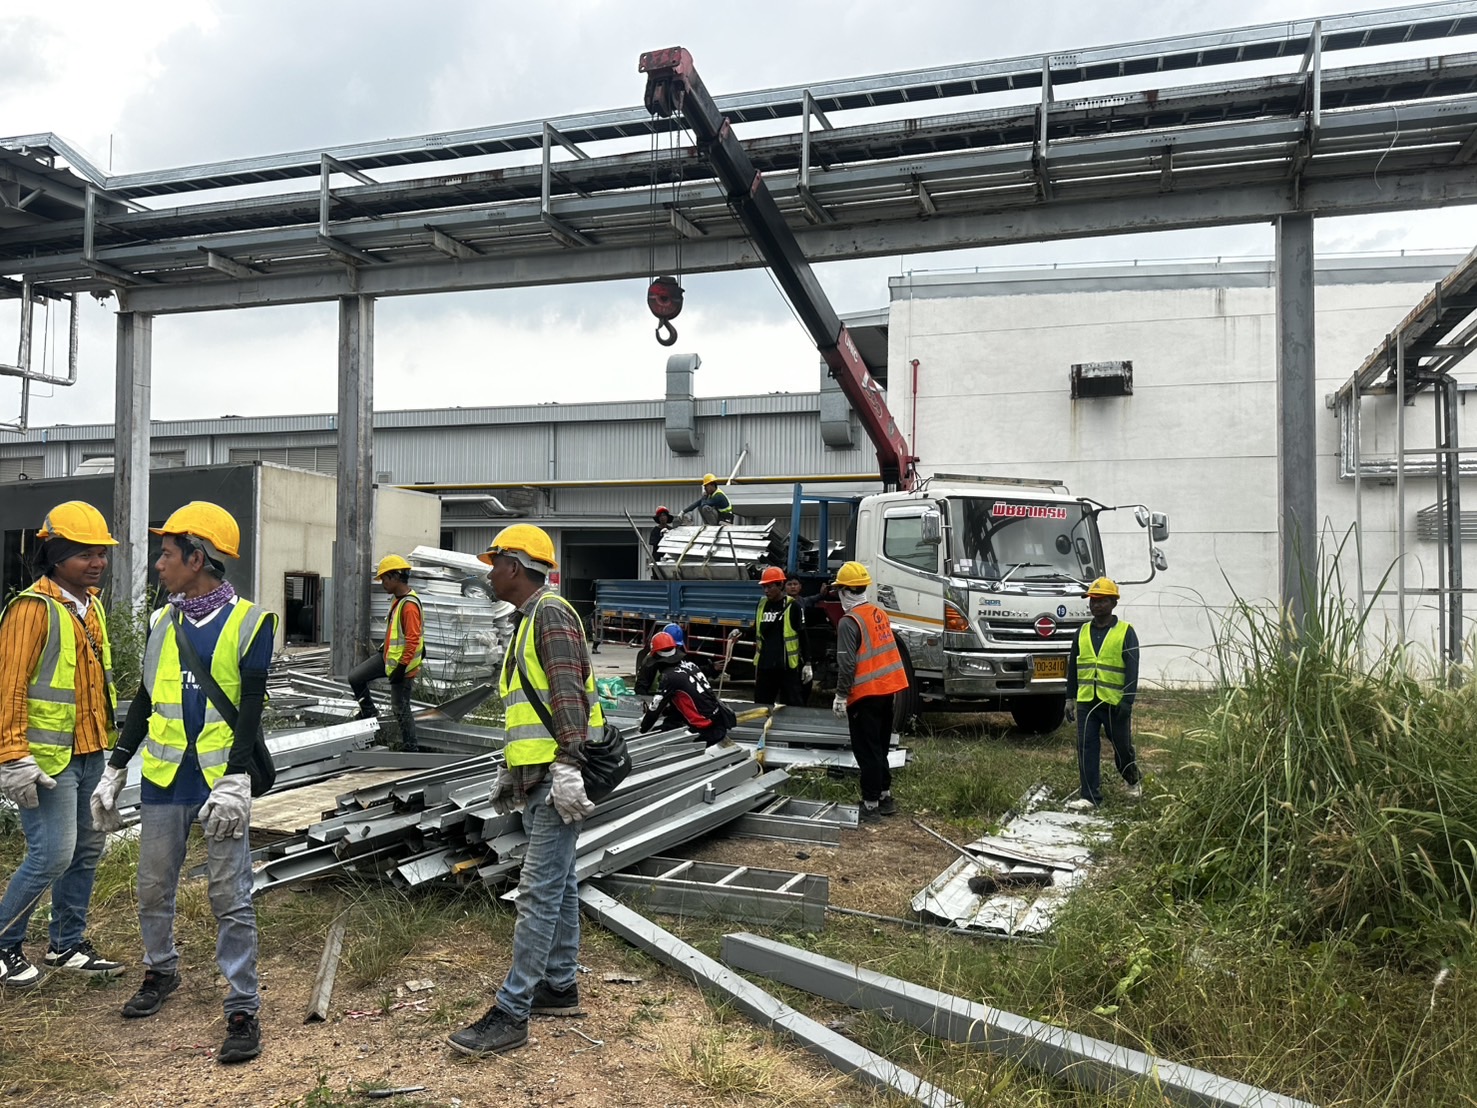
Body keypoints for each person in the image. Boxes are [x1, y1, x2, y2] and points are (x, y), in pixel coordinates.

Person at [91, 502, 277, 1064]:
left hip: (220, 783)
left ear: (198, 559)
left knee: (229, 896)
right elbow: (146, 699)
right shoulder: (160, 623)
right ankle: (160, 970)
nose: (159, 564)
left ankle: (242, 1006)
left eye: (167, 554)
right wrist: (116, 766)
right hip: (165, 778)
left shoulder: (251, 622)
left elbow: (250, 706)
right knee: (153, 887)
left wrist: (237, 778)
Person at [449, 524, 600, 1058]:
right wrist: (510, 771)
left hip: (557, 775)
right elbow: (527, 710)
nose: (489, 574)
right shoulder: (527, 619)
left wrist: (569, 765)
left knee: (537, 891)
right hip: (537, 776)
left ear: (514, 566)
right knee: (559, 884)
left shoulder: (550, 614)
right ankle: (558, 985)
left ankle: (512, 1013)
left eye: (494, 564)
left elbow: (568, 695)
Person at [0, 502, 126, 989]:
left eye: (101, 553)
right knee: (52, 854)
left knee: (87, 850)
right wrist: (13, 756)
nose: (97, 562)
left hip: (91, 751)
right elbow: (9, 687)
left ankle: (66, 944)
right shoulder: (31, 609)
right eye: (84, 554)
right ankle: (4, 945)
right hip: (46, 760)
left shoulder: (91, 608)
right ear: (55, 555)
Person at [829, 562, 908, 823]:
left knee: (866, 751)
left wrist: (841, 695)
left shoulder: (848, 622)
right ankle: (885, 796)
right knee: (880, 747)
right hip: (887, 691)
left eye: (839, 590)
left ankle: (871, 804)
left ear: (844, 591)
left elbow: (847, 664)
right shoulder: (878, 613)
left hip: (864, 695)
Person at [1064, 577, 1141, 811]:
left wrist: (1127, 701)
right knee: (1086, 747)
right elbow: (1073, 667)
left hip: (1114, 702)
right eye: (1093, 601)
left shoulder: (1126, 632)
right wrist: (1069, 698)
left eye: (1102, 601)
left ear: (1113, 603)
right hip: (1088, 701)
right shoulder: (1081, 632)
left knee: (1122, 747)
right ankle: (1090, 796)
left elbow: (1132, 669)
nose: (1096, 605)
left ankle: (1133, 779)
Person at [347, 554, 424, 752]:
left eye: (384, 579)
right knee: (355, 678)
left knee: (400, 707)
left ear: (395, 577)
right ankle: (369, 712)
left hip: (403, 666)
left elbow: (413, 640)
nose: (383, 584)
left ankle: (411, 748)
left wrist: (401, 667)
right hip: (388, 658)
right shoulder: (398, 600)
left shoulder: (409, 606)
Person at [638, 631, 735, 748]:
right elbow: (685, 700)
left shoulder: (669, 676)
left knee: (659, 743)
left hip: (706, 729)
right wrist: (665, 713)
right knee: (669, 724)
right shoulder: (690, 665)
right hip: (718, 721)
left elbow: (654, 710)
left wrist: (641, 732)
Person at [754, 567, 810, 706]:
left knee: (792, 706)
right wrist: (739, 632)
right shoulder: (761, 605)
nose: (766, 591)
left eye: (770, 587)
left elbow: (803, 636)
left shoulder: (793, 606)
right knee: (761, 705)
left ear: (780, 585)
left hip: (786, 668)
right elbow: (757, 629)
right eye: (764, 587)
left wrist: (808, 663)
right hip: (765, 666)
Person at [635, 623, 717, 695]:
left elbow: (690, 670)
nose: (676, 648)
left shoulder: (677, 656)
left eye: (677, 646)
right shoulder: (651, 662)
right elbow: (641, 687)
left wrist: (711, 668)